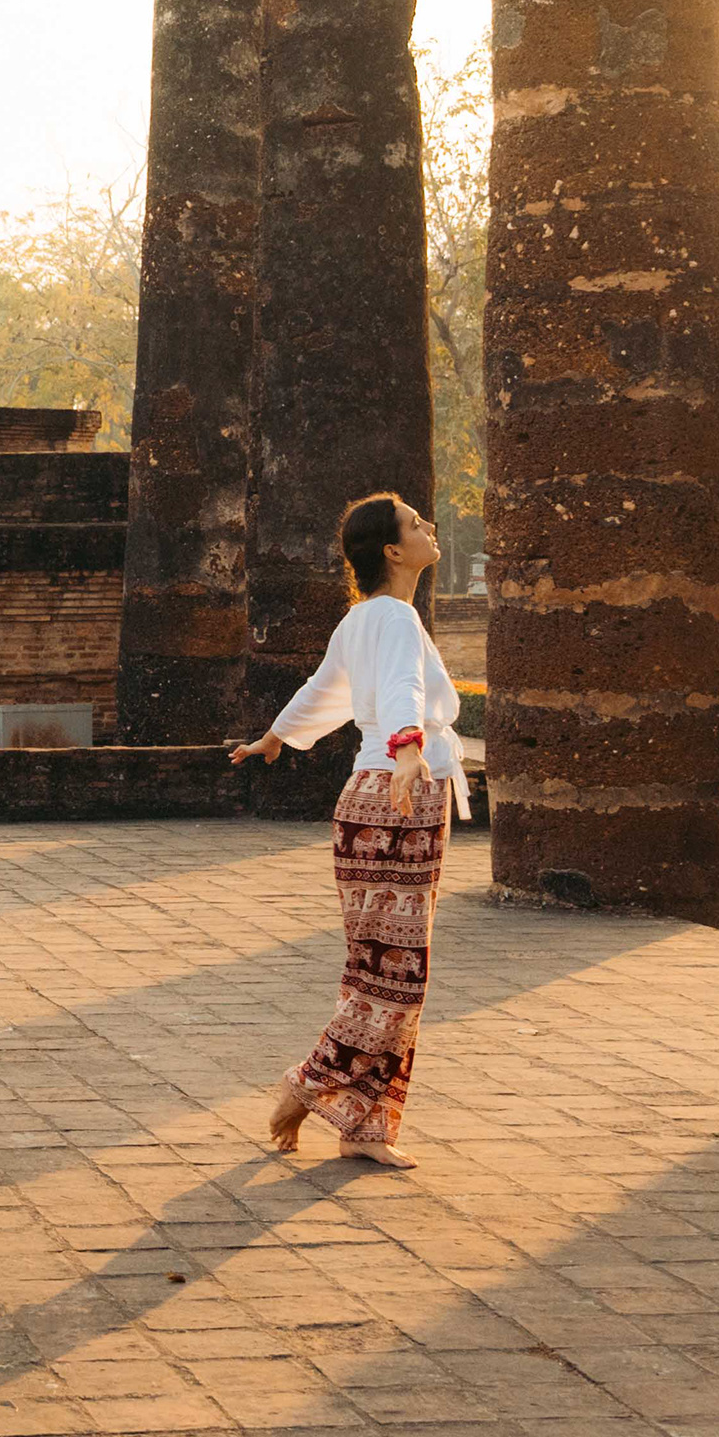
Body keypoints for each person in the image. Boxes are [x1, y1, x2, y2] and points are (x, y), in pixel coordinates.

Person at [229, 491, 467, 1167]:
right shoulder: (390, 617)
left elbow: (323, 690)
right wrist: (409, 749)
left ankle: (366, 1127)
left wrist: (276, 737)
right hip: (399, 792)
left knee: (378, 969)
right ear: (393, 551)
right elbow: (398, 690)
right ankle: (308, 1084)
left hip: (366, 796)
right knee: (395, 976)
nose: (431, 528)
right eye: (418, 524)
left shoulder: (364, 619)